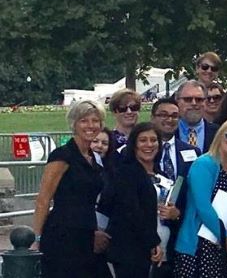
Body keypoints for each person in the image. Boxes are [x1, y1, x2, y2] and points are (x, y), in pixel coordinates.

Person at [32, 99, 107, 278]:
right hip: (63, 234)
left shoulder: (93, 158)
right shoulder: (62, 156)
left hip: (87, 233)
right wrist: (36, 239)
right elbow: (43, 199)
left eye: (95, 121)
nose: (90, 125)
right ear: (74, 124)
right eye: (84, 121)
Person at [175, 117, 227, 278]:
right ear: (221, 134)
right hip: (199, 246)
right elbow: (203, 207)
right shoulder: (204, 164)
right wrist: (224, 237)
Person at [103, 122, 163, 278]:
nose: (149, 145)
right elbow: (131, 211)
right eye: (143, 140)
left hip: (157, 249)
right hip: (130, 250)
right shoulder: (126, 172)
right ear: (134, 145)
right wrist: (153, 241)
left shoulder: (160, 173)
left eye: (153, 140)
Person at [148, 98, 191, 278]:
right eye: (163, 115)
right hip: (147, 232)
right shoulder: (143, 150)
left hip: (179, 233)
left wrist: (178, 213)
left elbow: (192, 194)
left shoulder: (192, 152)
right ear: (153, 117)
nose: (169, 119)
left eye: (174, 116)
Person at [176, 80, 217, 151]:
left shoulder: (218, 132)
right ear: (177, 101)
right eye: (188, 99)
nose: (194, 103)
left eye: (199, 99)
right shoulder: (167, 132)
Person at [107, 89, 142, 157]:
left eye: (133, 107)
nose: (129, 112)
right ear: (114, 112)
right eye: (122, 109)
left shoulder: (147, 138)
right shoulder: (108, 140)